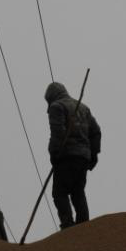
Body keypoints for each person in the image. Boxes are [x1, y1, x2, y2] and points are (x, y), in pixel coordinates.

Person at [45, 81, 101, 229]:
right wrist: (93, 154)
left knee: (59, 193)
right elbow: (96, 132)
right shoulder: (84, 108)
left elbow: (58, 133)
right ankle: (84, 226)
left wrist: (54, 154)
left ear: (51, 97)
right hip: (83, 158)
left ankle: (68, 226)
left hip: (66, 156)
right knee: (78, 192)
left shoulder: (56, 107)